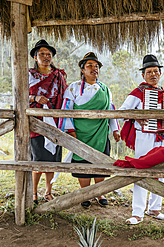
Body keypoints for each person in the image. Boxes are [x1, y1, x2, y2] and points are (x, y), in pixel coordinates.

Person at [59, 52, 120, 209]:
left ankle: (99, 193)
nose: (94, 69)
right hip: (80, 134)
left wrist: (115, 129)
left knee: (100, 162)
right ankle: (85, 193)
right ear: (82, 69)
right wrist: (71, 133)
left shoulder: (105, 89)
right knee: (82, 163)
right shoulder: (73, 88)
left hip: (100, 133)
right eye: (90, 66)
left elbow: (111, 110)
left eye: (96, 66)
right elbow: (66, 110)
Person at [119, 54, 164, 225]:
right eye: (149, 72)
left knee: (160, 172)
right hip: (145, 136)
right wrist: (135, 117)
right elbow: (122, 112)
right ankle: (137, 212)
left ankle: (155, 208)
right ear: (143, 75)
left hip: (162, 137)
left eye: (156, 71)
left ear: (160, 73)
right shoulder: (138, 92)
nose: (153, 74)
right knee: (141, 171)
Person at [29, 40, 68, 205]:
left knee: (53, 157)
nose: (46, 57)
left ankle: (48, 191)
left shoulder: (58, 76)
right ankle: (34, 192)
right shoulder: (28, 75)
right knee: (38, 158)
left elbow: (65, 96)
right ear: (35, 57)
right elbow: (18, 96)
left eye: (48, 54)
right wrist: (35, 97)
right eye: (42, 54)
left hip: (55, 121)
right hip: (36, 122)